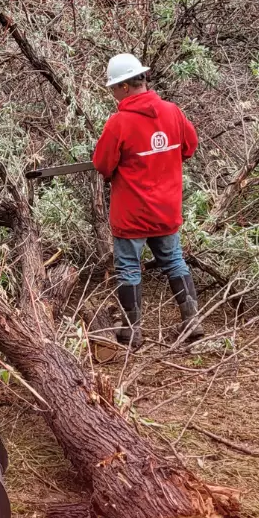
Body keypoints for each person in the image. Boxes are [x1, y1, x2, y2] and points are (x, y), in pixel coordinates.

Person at [91, 53, 202, 347]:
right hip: (166, 210)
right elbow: (189, 147)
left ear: (125, 87)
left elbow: (102, 164)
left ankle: (132, 332)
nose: (112, 93)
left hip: (132, 215)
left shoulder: (119, 123)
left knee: (128, 267)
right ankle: (192, 321)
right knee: (174, 261)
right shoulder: (172, 111)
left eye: (113, 87)